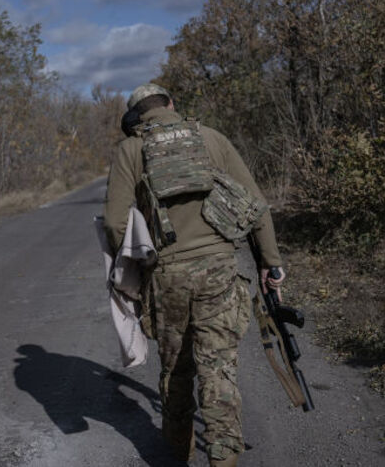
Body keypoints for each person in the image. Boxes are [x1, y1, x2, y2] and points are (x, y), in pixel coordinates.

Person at [102, 83, 285, 467]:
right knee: (217, 368)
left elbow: (115, 224)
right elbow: (257, 207)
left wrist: (139, 274)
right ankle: (223, 458)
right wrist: (270, 263)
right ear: (171, 104)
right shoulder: (211, 138)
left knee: (176, 370)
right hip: (219, 270)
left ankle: (178, 452)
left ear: (136, 118)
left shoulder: (131, 149)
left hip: (166, 276)